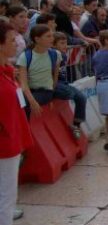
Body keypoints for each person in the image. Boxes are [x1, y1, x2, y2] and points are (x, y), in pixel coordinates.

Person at [0, 21, 33, 225]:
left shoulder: (7, 70)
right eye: (12, 40)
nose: (17, 43)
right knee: (6, 196)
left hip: (11, 138)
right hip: (5, 142)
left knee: (7, 195)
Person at [16, 25, 62, 120]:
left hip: (46, 91)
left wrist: (52, 93)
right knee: (17, 99)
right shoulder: (25, 56)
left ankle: (25, 130)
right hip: (29, 91)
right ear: (37, 39)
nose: (52, 39)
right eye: (48, 36)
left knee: (23, 101)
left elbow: (55, 78)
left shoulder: (55, 54)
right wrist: (32, 101)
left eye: (52, 36)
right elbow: (23, 85)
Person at [52, 32, 86, 139]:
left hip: (64, 83)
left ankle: (76, 125)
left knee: (81, 97)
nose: (65, 46)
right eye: (62, 43)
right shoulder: (53, 55)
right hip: (55, 84)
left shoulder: (64, 55)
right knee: (69, 93)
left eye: (65, 43)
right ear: (53, 45)